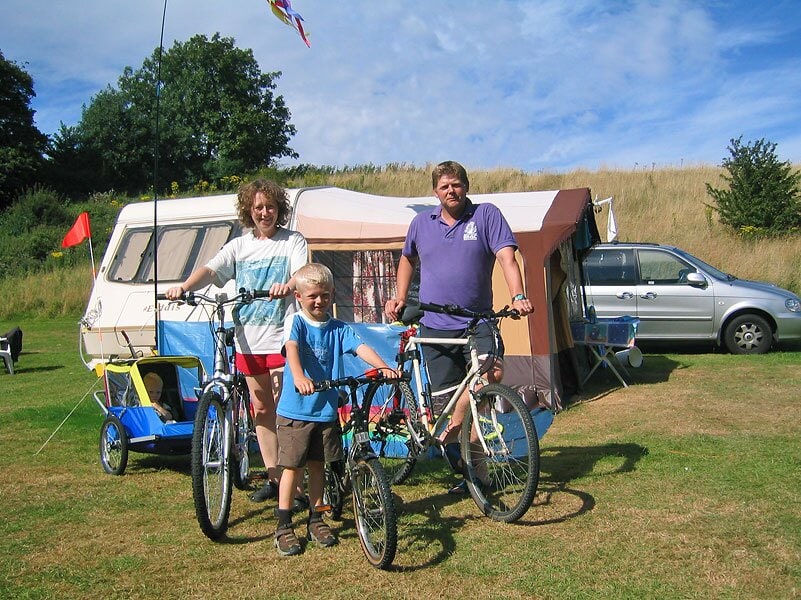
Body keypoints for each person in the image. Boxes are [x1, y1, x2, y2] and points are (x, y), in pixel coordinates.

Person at [384, 160, 534, 494]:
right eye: (444, 186)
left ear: (466, 185)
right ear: (435, 191)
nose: (451, 191)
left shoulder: (486, 215)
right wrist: (398, 296)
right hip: (433, 325)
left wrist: (519, 295)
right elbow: (407, 258)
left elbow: (508, 257)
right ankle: (476, 477)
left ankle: (453, 427)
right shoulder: (422, 223)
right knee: (450, 402)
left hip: (477, 320)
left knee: (490, 374)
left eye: (457, 184)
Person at [166, 179, 308, 502]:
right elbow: (211, 271)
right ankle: (274, 479)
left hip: (282, 338)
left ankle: (294, 484)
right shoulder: (239, 246)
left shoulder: (292, 242)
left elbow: (301, 272)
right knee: (261, 411)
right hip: (248, 341)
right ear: (249, 211)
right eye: (258, 207)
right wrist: (185, 287)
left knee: (286, 413)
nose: (265, 212)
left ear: (279, 209)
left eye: (270, 206)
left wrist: (287, 285)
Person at [273, 263, 396, 557]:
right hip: (297, 412)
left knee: (319, 465)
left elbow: (359, 347)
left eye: (325, 295)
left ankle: (317, 518)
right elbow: (291, 348)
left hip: (326, 412)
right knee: (293, 467)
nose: (319, 301)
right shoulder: (296, 323)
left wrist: (382, 367)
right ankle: (283, 524)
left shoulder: (338, 328)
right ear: (299, 297)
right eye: (313, 295)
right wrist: (300, 376)